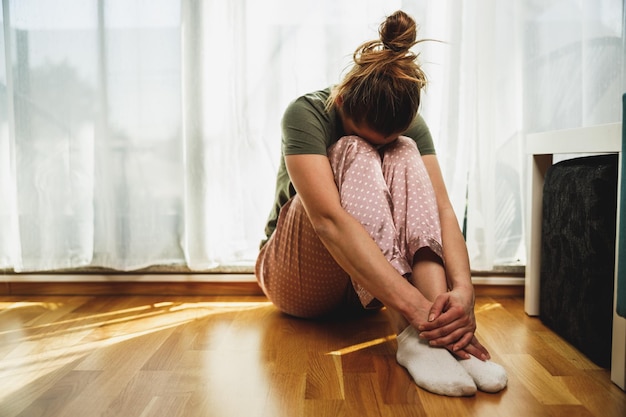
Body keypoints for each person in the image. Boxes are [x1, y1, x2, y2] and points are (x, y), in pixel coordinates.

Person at [255, 10, 507, 397]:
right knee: (353, 149)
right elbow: (328, 221)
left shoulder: (405, 129)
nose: (383, 142)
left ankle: (441, 336)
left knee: (403, 152)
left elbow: (441, 209)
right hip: (298, 280)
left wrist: (462, 293)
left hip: (369, 293)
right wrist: (417, 313)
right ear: (341, 99)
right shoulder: (306, 112)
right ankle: (416, 336)